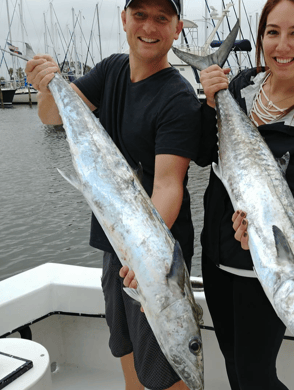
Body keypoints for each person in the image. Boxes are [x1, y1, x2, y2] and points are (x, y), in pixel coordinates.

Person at [25, 0, 202, 389]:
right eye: (140, 15)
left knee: (167, 369)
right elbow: (52, 116)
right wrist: (46, 84)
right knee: (126, 351)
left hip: (158, 259)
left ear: (177, 28)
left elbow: (168, 185)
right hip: (114, 245)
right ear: (124, 20)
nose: (149, 27)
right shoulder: (111, 70)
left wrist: (145, 258)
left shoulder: (178, 98)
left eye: (162, 18)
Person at [196, 0, 294, 389]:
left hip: (262, 270)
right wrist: (210, 99)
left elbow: (283, 196)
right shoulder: (242, 85)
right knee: (232, 362)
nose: (283, 45)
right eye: (272, 32)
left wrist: (254, 231)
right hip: (214, 256)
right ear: (261, 37)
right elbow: (201, 154)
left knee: (255, 377)